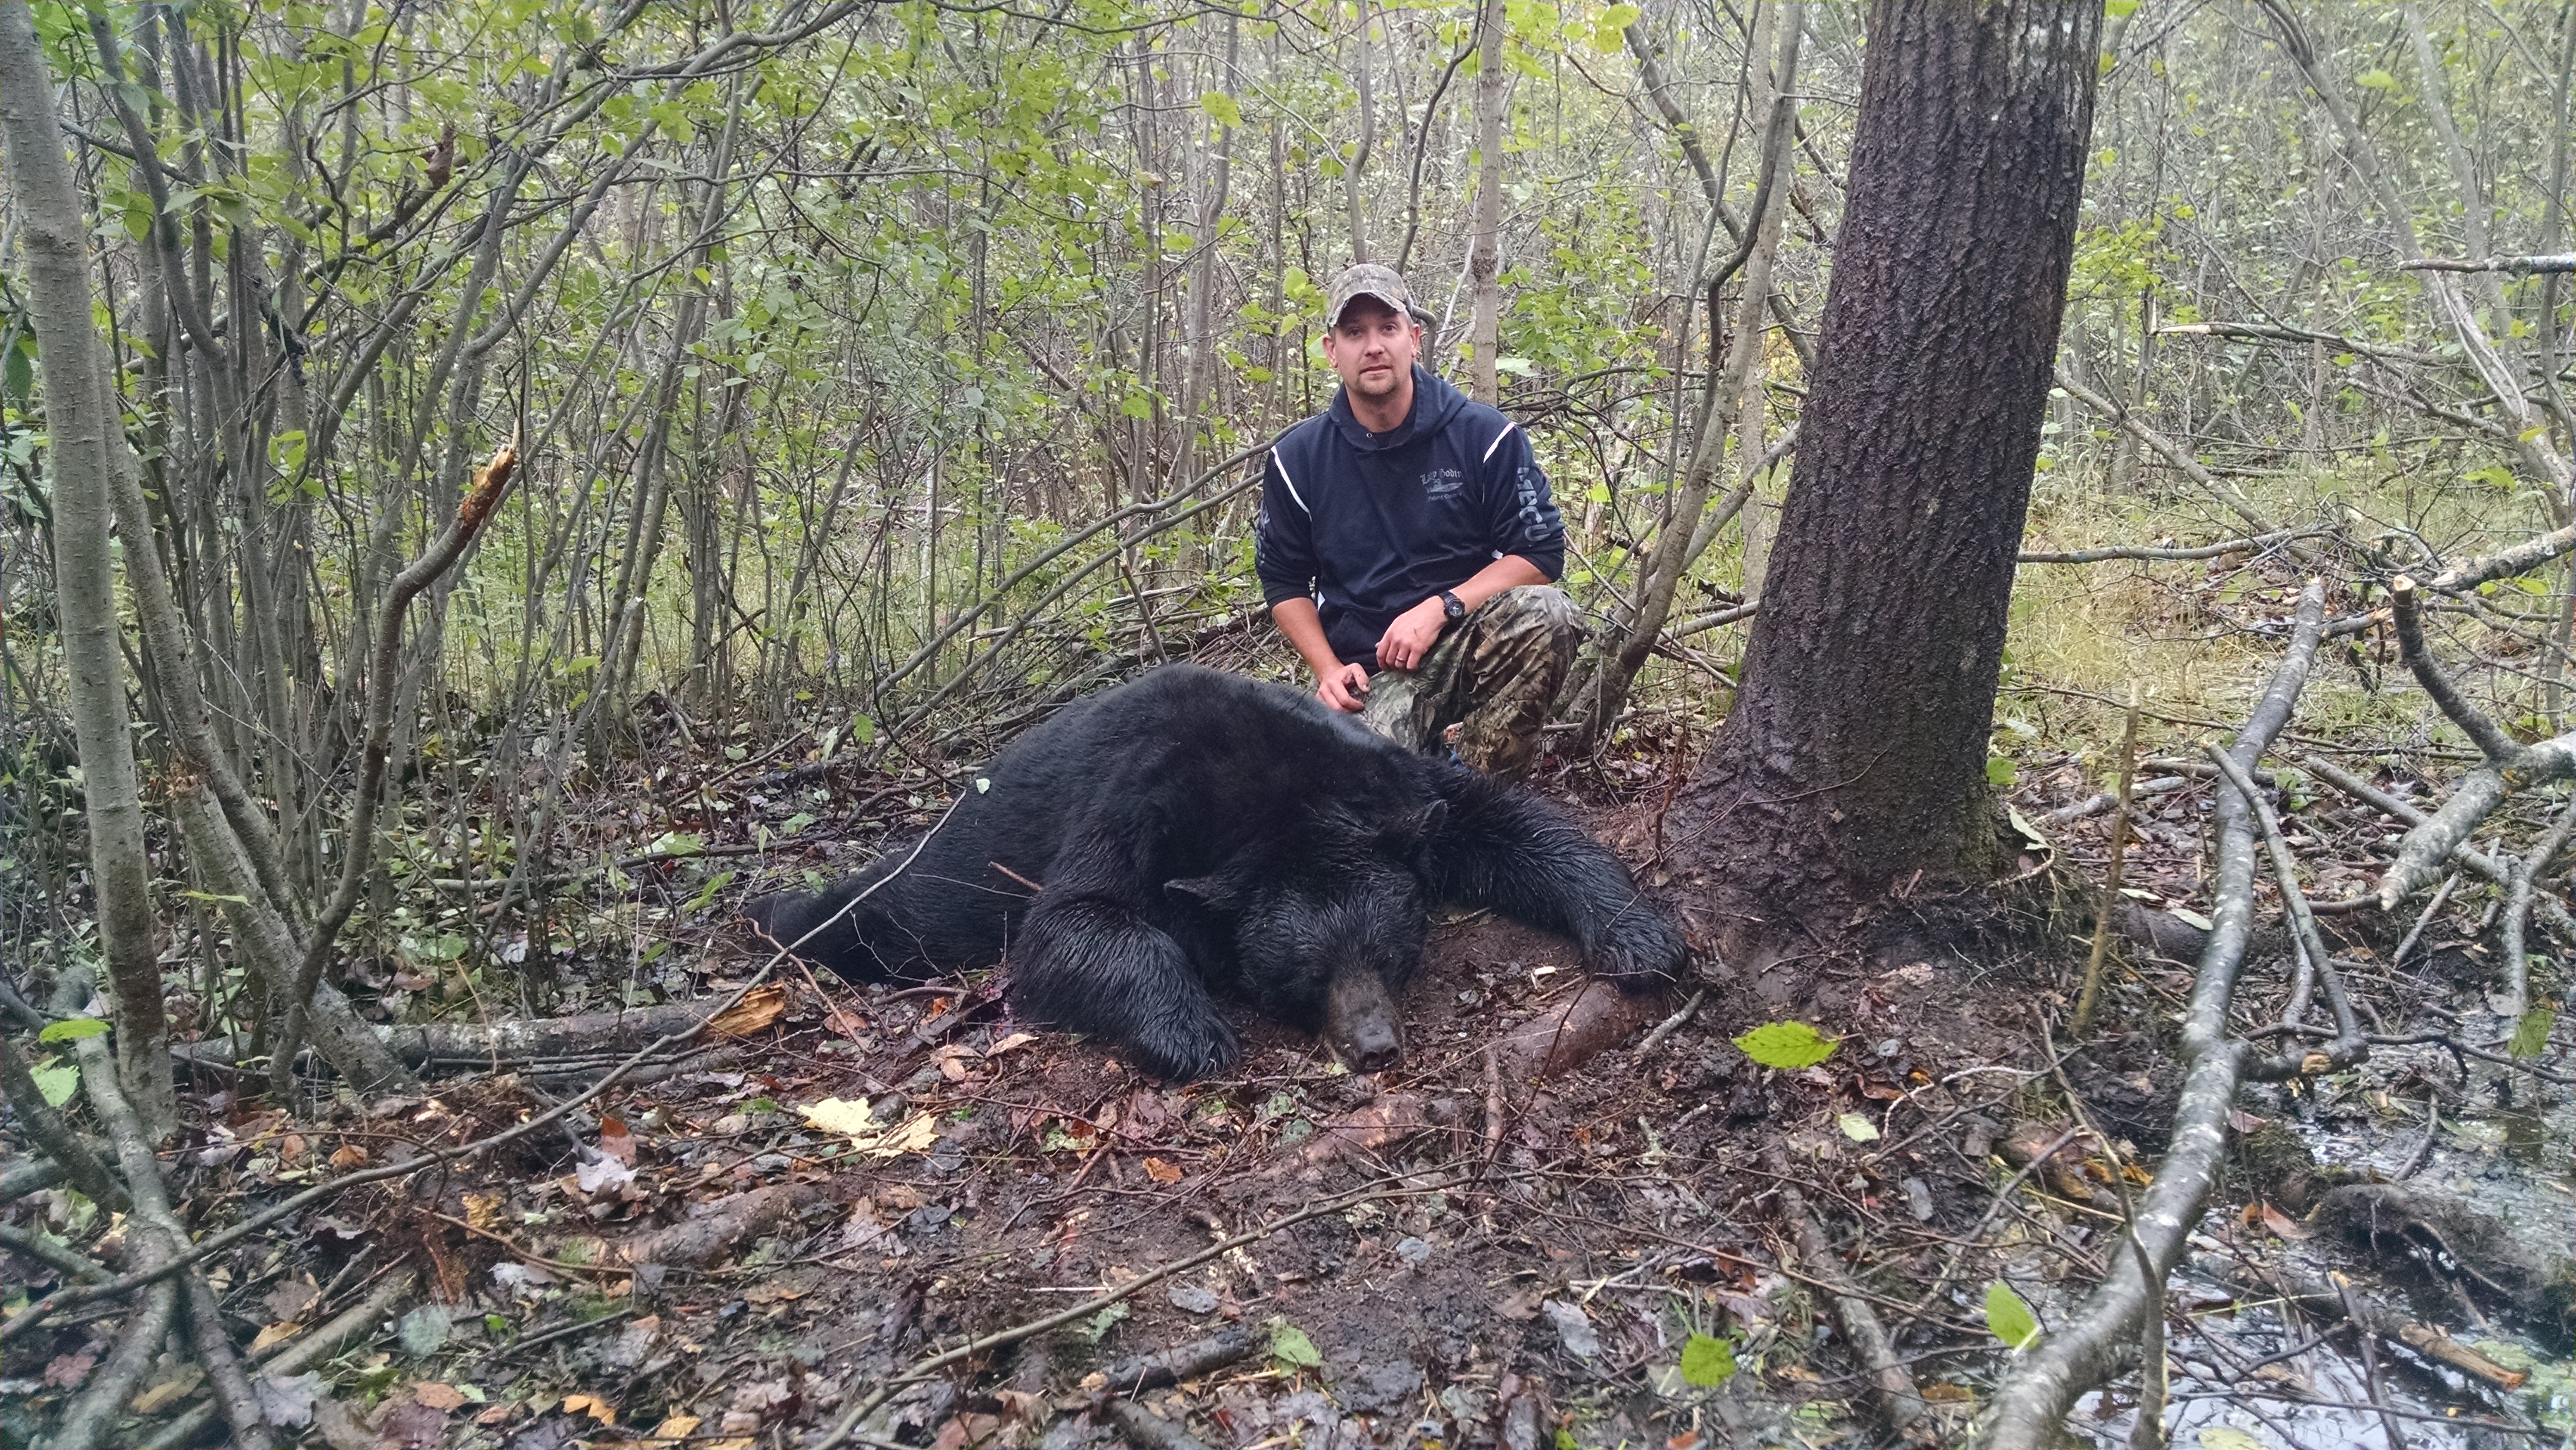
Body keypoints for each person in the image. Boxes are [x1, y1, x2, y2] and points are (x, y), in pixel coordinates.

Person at [1256, 264, 1580, 776]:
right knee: (1349, 790)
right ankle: (1418, 772)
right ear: (1332, 351)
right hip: (1372, 672)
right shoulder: (1297, 460)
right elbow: (1283, 580)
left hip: (1468, 639)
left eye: (1388, 328)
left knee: (1548, 613)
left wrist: (1441, 607)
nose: (1374, 346)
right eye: (1355, 333)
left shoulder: (1483, 436)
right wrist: (1329, 670)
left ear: (1413, 339)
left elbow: (1540, 554)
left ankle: (1478, 793)